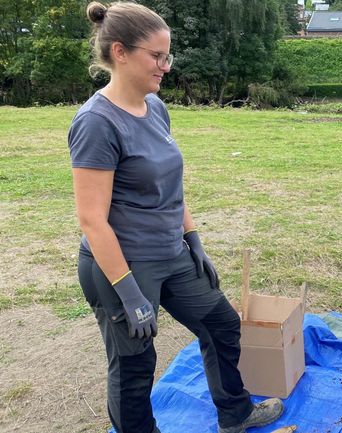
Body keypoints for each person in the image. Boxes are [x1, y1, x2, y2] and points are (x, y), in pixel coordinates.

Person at [68, 3, 283, 432]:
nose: (165, 66)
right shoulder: (97, 122)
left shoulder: (155, 108)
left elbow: (169, 183)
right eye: (157, 56)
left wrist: (193, 238)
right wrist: (129, 293)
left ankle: (235, 414)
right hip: (122, 265)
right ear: (121, 52)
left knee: (221, 323)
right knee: (134, 365)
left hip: (172, 254)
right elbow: (92, 219)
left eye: (168, 56)